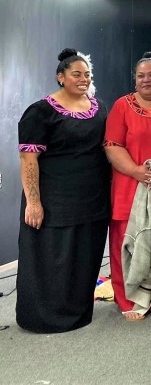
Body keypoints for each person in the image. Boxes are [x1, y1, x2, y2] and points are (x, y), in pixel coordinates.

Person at [16, 49, 110, 333]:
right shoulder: (40, 112)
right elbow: (28, 160)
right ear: (61, 77)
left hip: (92, 197)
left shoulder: (99, 107)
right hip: (54, 198)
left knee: (85, 254)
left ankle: (78, 311)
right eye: (76, 74)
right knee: (52, 257)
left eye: (87, 75)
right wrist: (33, 202)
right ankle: (43, 317)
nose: (83, 79)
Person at [104, 52, 151, 321]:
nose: (145, 80)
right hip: (129, 185)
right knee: (126, 241)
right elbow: (112, 146)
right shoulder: (121, 106)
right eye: (140, 75)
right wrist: (138, 172)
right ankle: (128, 299)